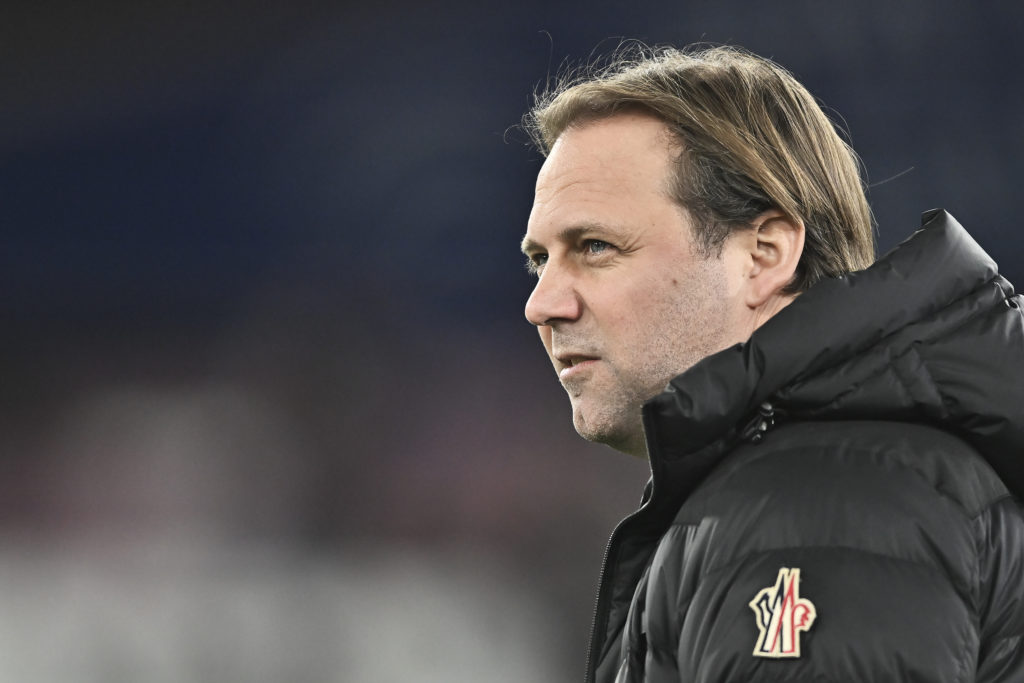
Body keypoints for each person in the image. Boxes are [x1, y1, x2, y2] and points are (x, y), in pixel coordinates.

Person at [519, 45, 1024, 683]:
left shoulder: (818, 503)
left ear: (763, 255)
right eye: (540, 260)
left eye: (595, 246)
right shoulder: (851, 470)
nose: (542, 304)